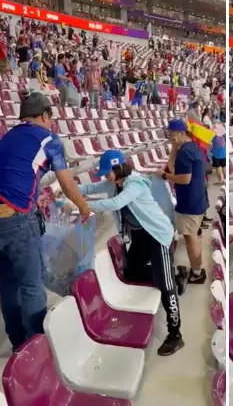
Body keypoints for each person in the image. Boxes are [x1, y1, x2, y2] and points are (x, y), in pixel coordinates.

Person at [0, 92, 90, 351]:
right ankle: (36, 349)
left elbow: (13, 174)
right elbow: (66, 182)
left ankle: (19, 346)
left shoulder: (8, 137)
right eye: (50, 118)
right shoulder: (49, 138)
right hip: (13, 220)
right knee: (31, 282)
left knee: (9, 281)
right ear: (45, 115)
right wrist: (83, 207)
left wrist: (31, 198)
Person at [76, 150, 185, 355]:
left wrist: (80, 205)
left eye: (107, 172)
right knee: (132, 272)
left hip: (157, 236)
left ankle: (175, 334)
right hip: (140, 235)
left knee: (165, 285)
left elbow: (114, 204)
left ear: (118, 168)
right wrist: (68, 191)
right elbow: (89, 187)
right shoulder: (113, 183)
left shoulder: (134, 184)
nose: (105, 177)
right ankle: (174, 276)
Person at [156, 119, 207, 284]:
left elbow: (184, 179)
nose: (170, 137)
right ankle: (197, 268)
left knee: (190, 237)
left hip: (189, 202)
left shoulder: (185, 153)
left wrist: (164, 176)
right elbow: (173, 167)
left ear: (181, 133)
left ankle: (197, 273)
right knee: (194, 236)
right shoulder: (191, 148)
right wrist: (173, 148)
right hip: (198, 199)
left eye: (172, 135)